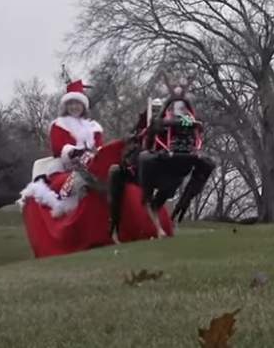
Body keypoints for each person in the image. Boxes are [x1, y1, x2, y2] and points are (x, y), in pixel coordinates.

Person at [18, 79, 172, 258]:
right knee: (79, 185)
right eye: (71, 103)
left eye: (78, 103)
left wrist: (94, 155)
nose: (74, 107)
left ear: (84, 106)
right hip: (66, 168)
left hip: (93, 165)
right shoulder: (59, 125)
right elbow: (59, 148)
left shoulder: (94, 127)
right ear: (66, 106)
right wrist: (74, 152)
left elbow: (99, 149)